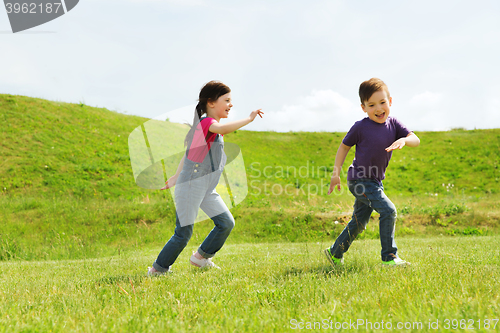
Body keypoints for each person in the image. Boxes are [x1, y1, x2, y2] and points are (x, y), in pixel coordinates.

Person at [148, 81, 264, 275]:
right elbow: (223, 129)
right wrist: (249, 119)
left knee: (226, 223)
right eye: (226, 100)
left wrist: (176, 175)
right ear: (211, 103)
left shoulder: (209, 128)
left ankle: (201, 258)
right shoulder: (208, 123)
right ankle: (158, 270)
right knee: (183, 234)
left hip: (206, 189)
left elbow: (189, 153)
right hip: (192, 185)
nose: (231, 104)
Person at [324, 78, 420, 267]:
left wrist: (404, 140)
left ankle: (334, 253)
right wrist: (336, 174)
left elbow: (415, 139)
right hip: (359, 180)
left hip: (375, 182)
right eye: (372, 105)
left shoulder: (394, 125)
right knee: (389, 210)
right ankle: (389, 257)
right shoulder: (360, 127)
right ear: (364, 108)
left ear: (390, 101)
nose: (379, 108)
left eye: (382, 103)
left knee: (359, 222)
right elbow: (344, 147)